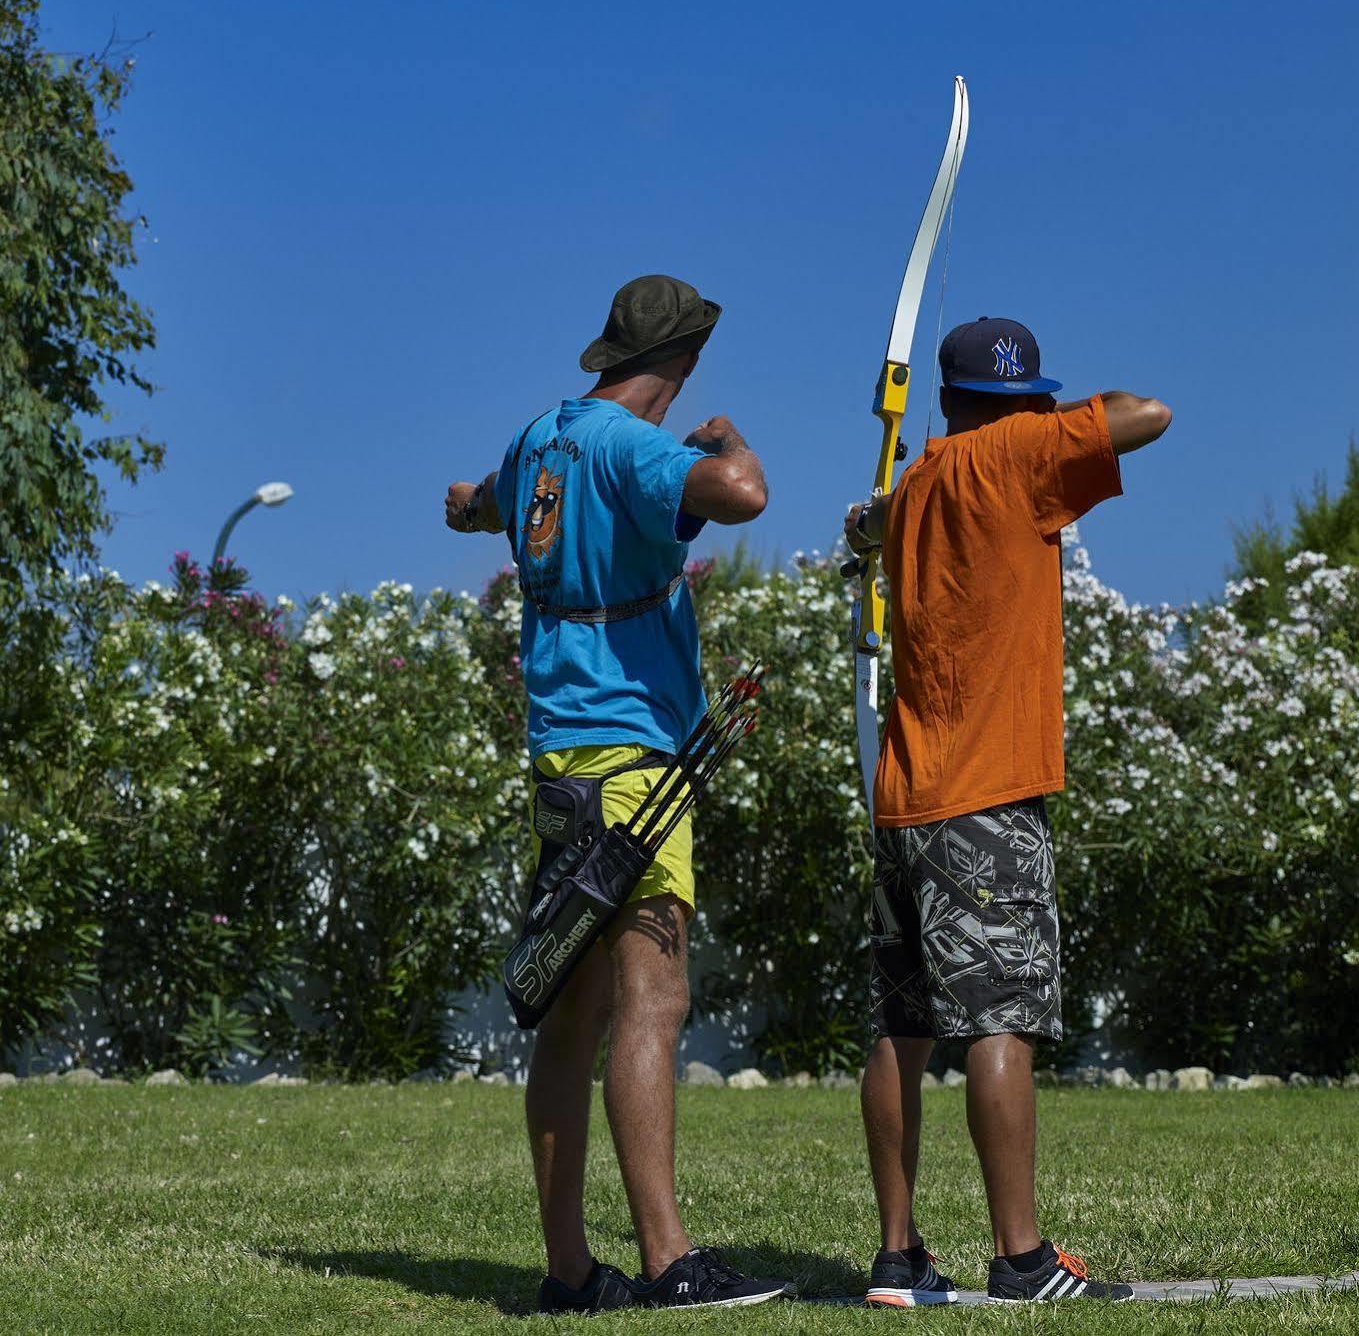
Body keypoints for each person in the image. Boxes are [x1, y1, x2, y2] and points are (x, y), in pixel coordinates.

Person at [444, 274, 786, 1315]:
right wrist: (728, 444)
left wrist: (472, 508)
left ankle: (568, 1274)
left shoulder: (540, 436)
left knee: (571, 1007)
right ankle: (671, 1260)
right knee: (652, 997)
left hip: (560, 756)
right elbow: (745, 497)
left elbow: (480, 506)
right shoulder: (643, 448)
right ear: (680, 364)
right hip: (637, 762)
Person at [842, 317, 1172, 1306]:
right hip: (985, 798)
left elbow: (865, 529)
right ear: (1024, 401)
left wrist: (872, 518)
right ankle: (1021, 1259)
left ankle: (897, 1258)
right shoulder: (1023, 454)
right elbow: (1146, 413)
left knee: (902, 1027)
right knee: (1001, 1023)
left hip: (903, 799)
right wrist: (1046, 425)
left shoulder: (919, 486)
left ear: (943, 400)